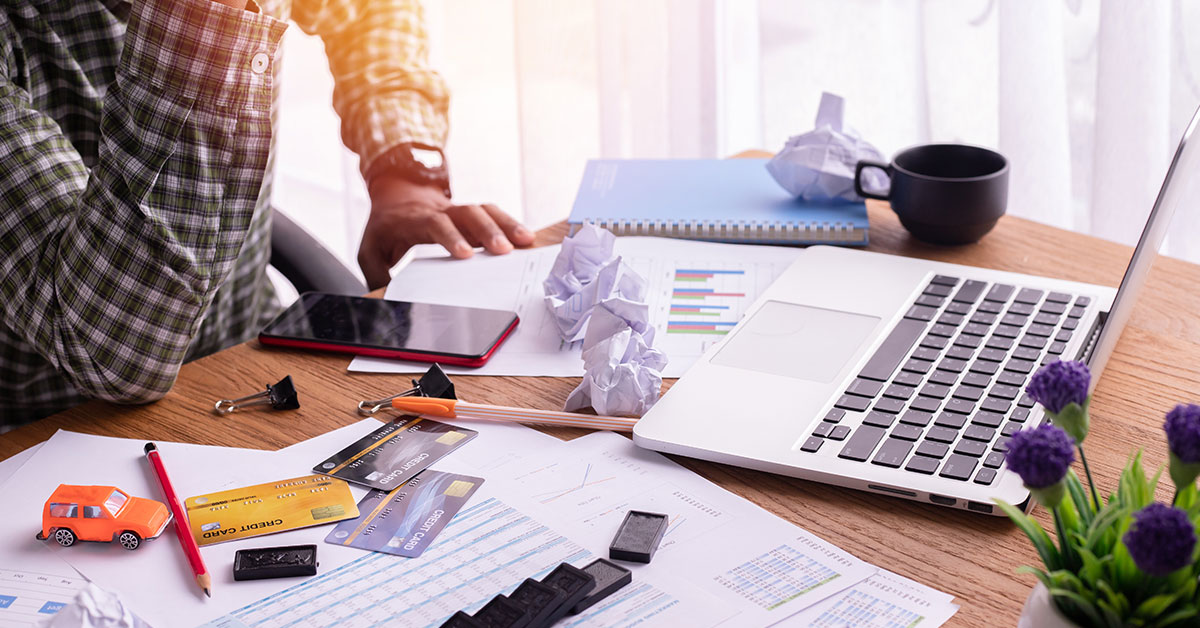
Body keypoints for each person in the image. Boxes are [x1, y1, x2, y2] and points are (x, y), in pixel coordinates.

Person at [0, 0, 532, 425]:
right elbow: (112, 358)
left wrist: (403, 173)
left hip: (242, 362)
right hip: (50, 431)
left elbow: (372, 11)